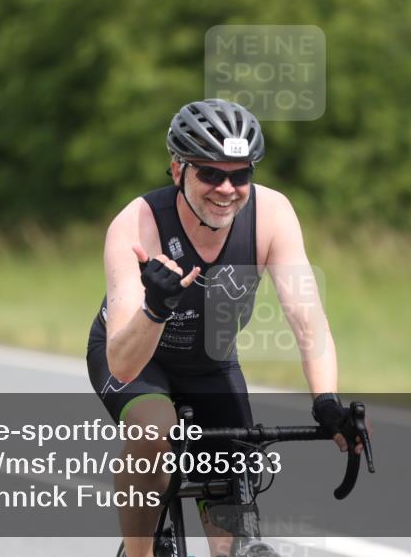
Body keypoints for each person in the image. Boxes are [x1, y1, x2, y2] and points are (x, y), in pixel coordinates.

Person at [86, 99, 357, 557]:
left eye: (240, 175)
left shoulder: (272, 215)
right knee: (153, 431)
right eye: (210, 173)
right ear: (178, 170)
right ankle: (139, 554)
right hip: (138, 360)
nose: (226, 189)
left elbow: (307, 319)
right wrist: (156, 307)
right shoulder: (137, 224)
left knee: (233, 517)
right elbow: (123, 364)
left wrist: (326, 401)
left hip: (210, 363)